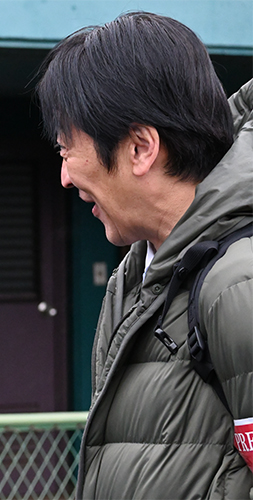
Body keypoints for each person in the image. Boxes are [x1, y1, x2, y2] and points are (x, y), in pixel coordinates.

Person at [36, 12, 253, 499]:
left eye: (68, 150)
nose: (66, 178)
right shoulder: (135, 280)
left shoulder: (238, 283)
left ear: (139, 148)